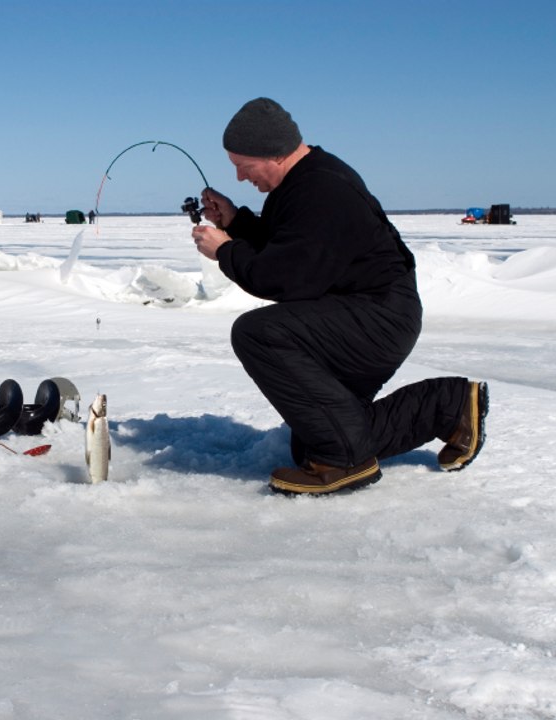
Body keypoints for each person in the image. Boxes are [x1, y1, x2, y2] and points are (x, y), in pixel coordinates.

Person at [192, 97, 488, 495]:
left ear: (273, 154)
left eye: (243, 167)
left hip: (376, 318)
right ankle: (447, 406)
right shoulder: (303, 181)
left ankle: (344, 462)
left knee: (259, 332)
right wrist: (237, 222)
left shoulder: (321, 188)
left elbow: (286, 278)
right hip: (366, 314)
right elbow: (298, 247)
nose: (242, 178)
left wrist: (225, 251)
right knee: (317, 438)